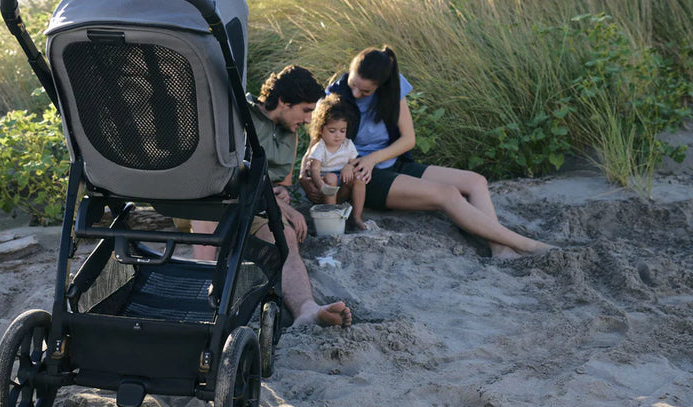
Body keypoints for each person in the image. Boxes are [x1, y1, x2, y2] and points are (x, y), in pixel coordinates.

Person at [300, 46, 552, 258]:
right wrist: (304, 172)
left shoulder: (394, 87)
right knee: (448, 194)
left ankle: (500, 248)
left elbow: (408, 139)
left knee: (476, 181)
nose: (356, 93)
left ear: (382, 86)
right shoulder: (334, 95)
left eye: (365, 91)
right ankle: (526, 245)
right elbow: (316, 143)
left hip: (390, 162)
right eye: (354, 84)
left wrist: (374, 158)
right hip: (364, 176)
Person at [190, 65, 352, 327]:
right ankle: (199, 301)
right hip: (222, 197)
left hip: (259, 208)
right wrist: (286, 209)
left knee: (285, 236)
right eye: (306, 110)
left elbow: (282, 184)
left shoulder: (291, 135)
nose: (309, 120)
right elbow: (226, 174)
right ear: (284, 102)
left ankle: (306, 309)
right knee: (208, 218)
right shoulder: (241, 116)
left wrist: (282, 196)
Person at [300, 94, 366, 230]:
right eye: (332, 131)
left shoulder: (347, 144)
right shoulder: (320, 147)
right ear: (321, 130)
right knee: (331, 178)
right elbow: (314, 169)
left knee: (359, 178)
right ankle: (330, 216)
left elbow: (353, 162)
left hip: (342, 185)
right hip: (325, 187)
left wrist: (348, 166)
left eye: (342, 131)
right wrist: (321, 185)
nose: (338, 135)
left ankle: (357, 217)